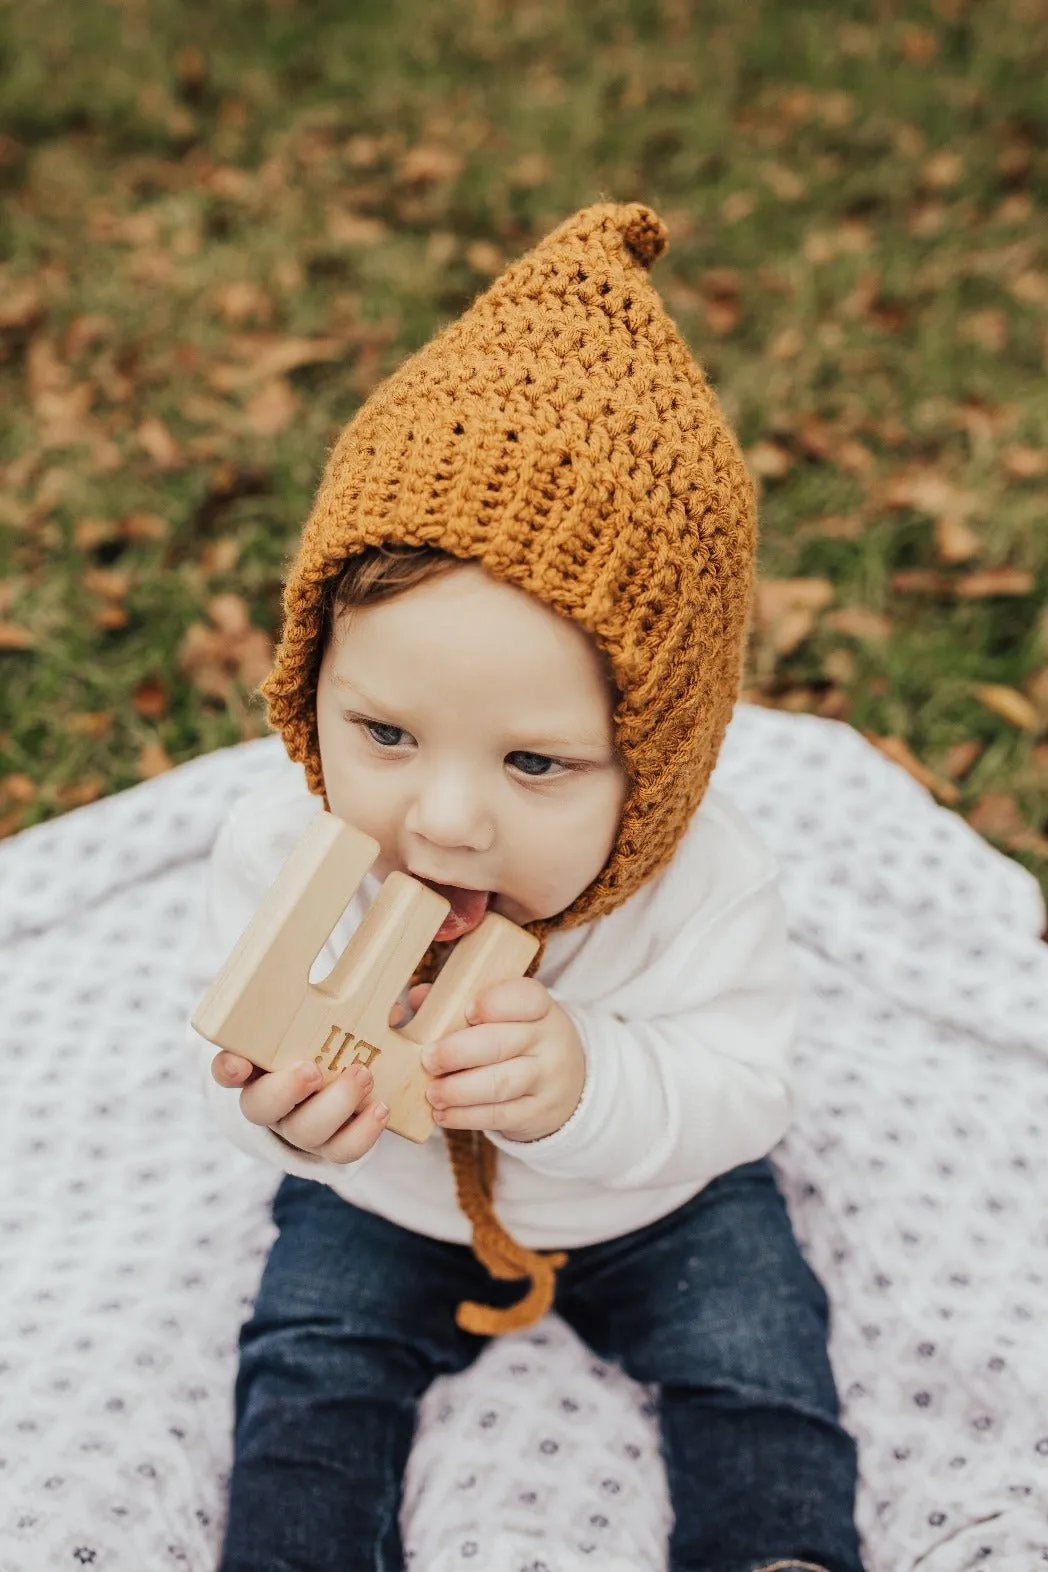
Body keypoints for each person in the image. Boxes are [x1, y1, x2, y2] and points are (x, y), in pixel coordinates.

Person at [189, 202, 866, 1572]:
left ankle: (777, 1548)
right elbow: (239, 1051)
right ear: (311, 686)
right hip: (388, 1194)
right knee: (308, 1370)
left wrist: (585, 1087)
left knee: (760, 1350)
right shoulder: (282, 851)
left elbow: (746, 1081)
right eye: (384, 733)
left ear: (656, 765)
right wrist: (290, 1124)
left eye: (536, 762)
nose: (443, 819)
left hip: (653, 1198)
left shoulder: (703, 879)